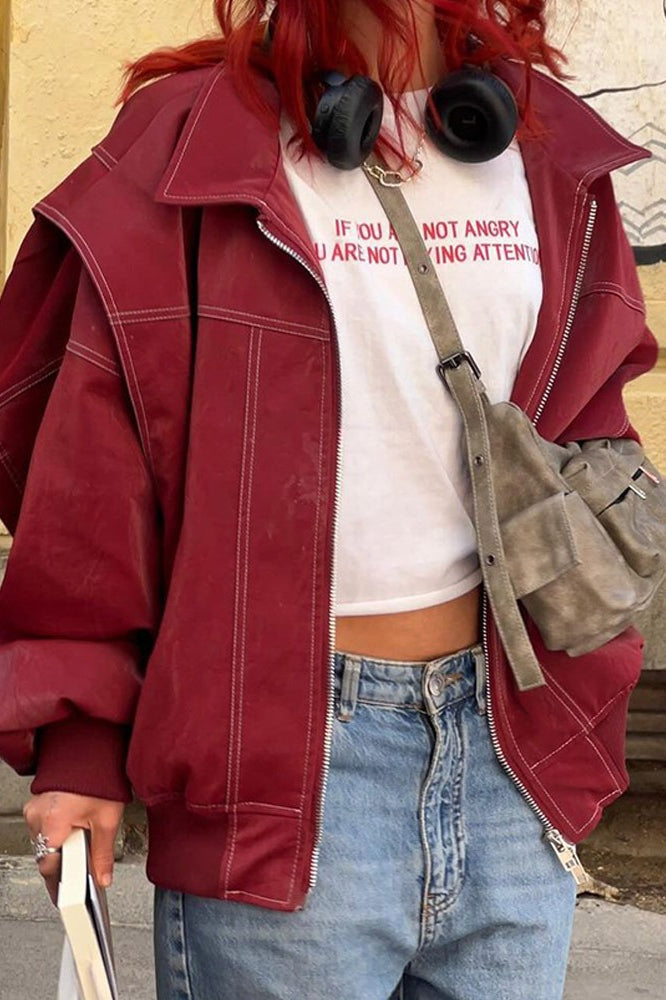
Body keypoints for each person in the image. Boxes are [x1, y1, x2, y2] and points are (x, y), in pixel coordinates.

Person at [0, 2, 657, 998]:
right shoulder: (194, 142)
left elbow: (589, 422)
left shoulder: (547, 145)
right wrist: (81, 744)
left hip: (514, 755)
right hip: (282, 768)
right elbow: (92, 467)